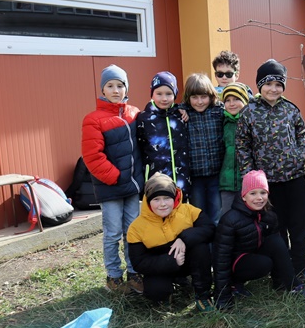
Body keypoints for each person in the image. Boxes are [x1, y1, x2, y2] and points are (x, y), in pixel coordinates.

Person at [235, 59, 305, 276]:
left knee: (297, 224)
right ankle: (282, 266)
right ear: (260, 85)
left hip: (294, 178)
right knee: (276, 226)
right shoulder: (249, 112)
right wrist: (251, 175)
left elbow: (301, 134)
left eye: (278, 85)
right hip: (267, 183)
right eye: (268, 84)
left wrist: (300, 154)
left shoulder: (290, 109)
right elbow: (242, 144)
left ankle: (300, 266)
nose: (273, 89)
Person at [81, 64, 144, 294]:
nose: (115, 90)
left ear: (126, 88)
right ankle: (114, 276)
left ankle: (135, 272)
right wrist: (116, 177)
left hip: (133, 186)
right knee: (113, 233)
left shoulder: (134, 114)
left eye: (120, 85)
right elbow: (92, 156)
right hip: (111, 187)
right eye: (110, 86)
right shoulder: (93, 119)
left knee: (132, 231)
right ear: (102, 90)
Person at [213, 170, 303, 309]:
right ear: (244, 196)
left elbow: (277, 250)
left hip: (253, 252)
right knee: (264, 263)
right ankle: (234, 284)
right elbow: (221, 258)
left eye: (263, 192)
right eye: (253, 193)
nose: (259, 198)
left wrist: (278, 277)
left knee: (277, 241)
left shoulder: (269, 215)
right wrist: (222, 297)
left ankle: (292, 285)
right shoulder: (230, 220)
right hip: (235, 263)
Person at [126, 173, 216, 307]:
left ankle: (203, 293)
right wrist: (171, 261)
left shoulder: (188, 211)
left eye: (167, 198)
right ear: (147, 201)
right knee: (156, 292)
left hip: (188, 261)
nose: (162, 204)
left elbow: (210, 229)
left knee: (200, 248)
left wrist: (183, 239)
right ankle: (169, 289)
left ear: (175, 198)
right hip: (160, 267)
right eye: (156, 199)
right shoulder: (136, 228)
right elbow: (139, 263)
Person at [137, 71, 191, 194]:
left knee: (180, 212)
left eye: (169, 94)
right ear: (152, 93)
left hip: (181, 181)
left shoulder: (180, 116)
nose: (164, 98)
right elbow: (139, 149)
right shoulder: (144, 118)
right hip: (156, 181)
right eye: (159, 94)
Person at [181, 73, 224, 224]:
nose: (199, 102)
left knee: (217, 214)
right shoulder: (184, 114)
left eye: (203, 97)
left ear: (211, 96)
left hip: (216, 174)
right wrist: (179, 109)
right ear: (188, 97)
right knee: (198, 216)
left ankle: (216, 247)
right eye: (194, 97)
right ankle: (202, 247)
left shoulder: (218, 112)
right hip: (195, 177)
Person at [218, 82, 250, 218]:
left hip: (248, 182)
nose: (232, 104)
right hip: (227, 182)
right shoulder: (221, 121)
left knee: (247, 216)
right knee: (227, 217)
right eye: (228, 100)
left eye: (236, 99)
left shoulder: (251, 121)